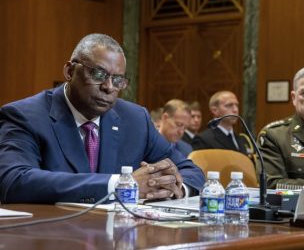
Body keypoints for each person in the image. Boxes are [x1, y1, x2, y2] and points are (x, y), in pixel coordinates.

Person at [0, 33, 205, 203]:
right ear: (70, 71)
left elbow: (190, 171)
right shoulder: (25, 116)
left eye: (118, 80)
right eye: (98, 74)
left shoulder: (135, 119)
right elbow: (13, 180)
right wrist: (120, 185)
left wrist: (170, 189)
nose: (108, 87)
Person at [191, 90, 249, 155]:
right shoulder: (203, 139)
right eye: (229, 105)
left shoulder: (241, 139)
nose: (235, 110)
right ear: (215, 110)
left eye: (237, 105)